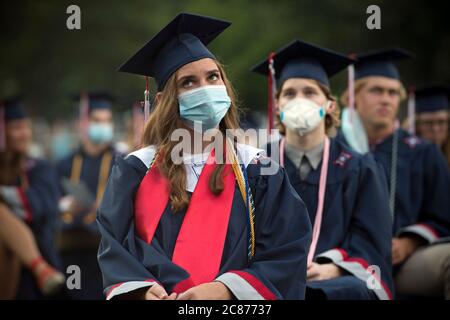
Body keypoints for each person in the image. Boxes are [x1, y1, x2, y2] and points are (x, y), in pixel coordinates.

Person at [97, 13, 312, 300]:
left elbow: (287, 251)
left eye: (213, 77)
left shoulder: (256, 169)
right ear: (164, 101)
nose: (206, 89)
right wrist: (144, 290)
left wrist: (224, 290)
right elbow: (115, 249)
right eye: (188, 83)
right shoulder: (135, 170)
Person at [252, 40, 394, 300]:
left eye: (310, 92)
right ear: (278, 104)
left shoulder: (359, 167)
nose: (299, 100)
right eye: (290, 94)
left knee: (353, 291)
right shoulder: (257, 164)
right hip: (270, 277)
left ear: (329, 104)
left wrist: (333, 270)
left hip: (333, 281)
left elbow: (371, 242)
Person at [339, 48, 450, 299]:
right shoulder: (335, 149)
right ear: (353, 97)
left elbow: (443, 216)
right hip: (346, 260)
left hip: (401, 263)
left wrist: (411, 242)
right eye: (376, 91)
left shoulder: (422, 152)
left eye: (392, 92)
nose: (386, 99)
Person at [0, 97, 64, 299]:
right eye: (17, 128)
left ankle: (40, 269)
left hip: (38, 253)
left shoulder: (38, 168)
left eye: (26, 127)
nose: (24, 134)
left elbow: (37, 208)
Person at [57, 92, 119, 299]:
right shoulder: (65, 163)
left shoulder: (122, 162)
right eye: (97, 121)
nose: (103, 126)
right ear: (83, 123)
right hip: (72, 248)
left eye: (107, 121)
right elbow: (50, 202)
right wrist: (64, 206)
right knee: (73, 291)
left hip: (105, 250)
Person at [413, 84, 450, 168]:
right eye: (428, 123)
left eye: (441, 122)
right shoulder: (409, 160)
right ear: (417, 126)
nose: (435, 129)